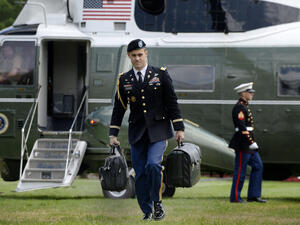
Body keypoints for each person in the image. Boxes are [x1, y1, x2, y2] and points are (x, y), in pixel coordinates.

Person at [109, 39, 185, 221]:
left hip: (158, 130)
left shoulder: (160, 74)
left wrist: (179, 128)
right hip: (137, 133)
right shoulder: (124, 79)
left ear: (146, 53)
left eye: (140, 54)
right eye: (133, 55)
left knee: (153, 165)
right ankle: (147, 210)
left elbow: (171, 102)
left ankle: (158, 204)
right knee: (140, 173)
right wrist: (113, 133)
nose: (137, 59)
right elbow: (119, 108)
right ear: (129, 56)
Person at [229, 82, 267, 203]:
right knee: (240, 171)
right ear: (243, 93)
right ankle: (235, 197)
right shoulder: (239, 107)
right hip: (243, 143)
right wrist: (251, 142)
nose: (252, 95)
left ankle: (253, 195)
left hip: (249, 144)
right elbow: (242, 127)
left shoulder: (245, 106)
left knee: (258, 166)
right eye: (250, 93)